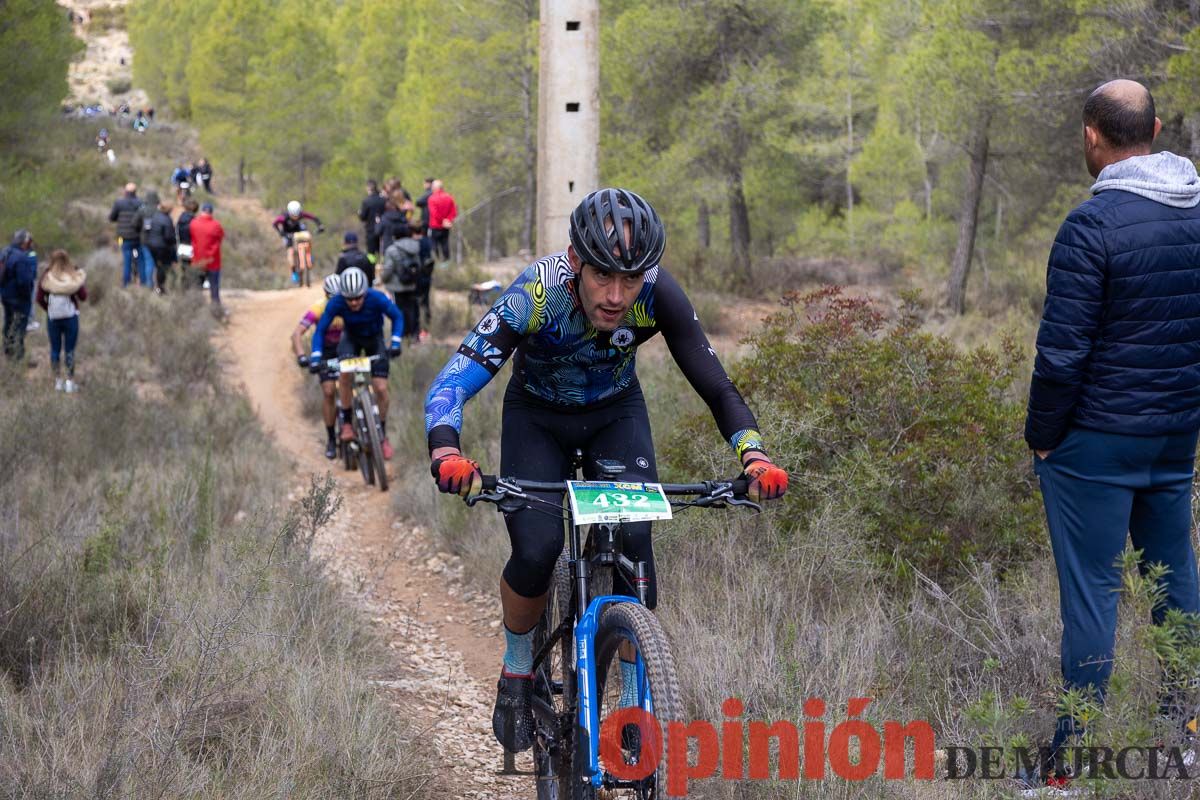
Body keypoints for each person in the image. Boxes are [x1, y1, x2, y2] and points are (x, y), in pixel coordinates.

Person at [423, 188, 788, 753]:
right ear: (575, 261)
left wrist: (754, 453)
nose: (617, 296)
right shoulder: (536, 293)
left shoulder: (657, 292)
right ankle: (519, 668)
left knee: (636, 548)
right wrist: (446, 450)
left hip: (615, 414)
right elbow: (452, 381)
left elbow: (715, 383)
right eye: (602, 278)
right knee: (538, 548)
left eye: (632, 279)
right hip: (537, 417)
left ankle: (640, 697)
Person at [1024, 79, 1200, 788]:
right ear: (1153, 128)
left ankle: (1068, 763)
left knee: (1094, 593)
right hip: (1174, 434)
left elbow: (1061, 353)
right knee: (1175, 581)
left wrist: (1042, 435)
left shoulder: (1090, 227)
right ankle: (1186, 732)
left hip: (1094, 443)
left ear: (1093, 137)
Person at [309, 267, 402, 461]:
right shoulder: (336, 302)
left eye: (358, 298)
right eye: (349, 299)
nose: (353, 302)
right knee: (344, 375)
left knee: (381, 388)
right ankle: (347, 423)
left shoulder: (376, 298)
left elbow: (397, 316)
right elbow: (320, 330)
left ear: (364, 292)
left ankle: (382, 436)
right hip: (350, 340)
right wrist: (316, 355)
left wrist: (395, 341)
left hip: (374, 339)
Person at [292, 274, 345, 459]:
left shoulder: (350, 304)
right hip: (326, 352)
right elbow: (297, 333)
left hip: (347, 349)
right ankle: (331, 439)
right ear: (326, 294)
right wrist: (301, 356)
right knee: (329, 392)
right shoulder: (319, 308)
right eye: (333, 298)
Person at [35, 249, 87, 391]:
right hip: (71, 318)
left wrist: (49, 309)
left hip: (53, 319)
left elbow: (39, 298)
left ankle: (57, 381)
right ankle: (70, 382)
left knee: (55, 349)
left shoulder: (47, 277)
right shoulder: (73, 276)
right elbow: (83, 296)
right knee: (69, 350)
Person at [380, 224, 426, 340]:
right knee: (411, 311)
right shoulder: (416, 247)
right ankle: (412, 335)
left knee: (397, 313)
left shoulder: (392, 249)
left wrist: (383, 279)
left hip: (397, 287)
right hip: (411, 284)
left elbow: (389, 269)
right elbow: (419, 265)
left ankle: (399, 336)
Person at [1, 229, 38, 364]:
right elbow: (24, 281)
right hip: (19, 299)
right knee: (19, 327)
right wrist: (27, 296)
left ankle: (8, 352)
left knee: (8, 324)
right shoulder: (22, 257)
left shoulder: (5, 251)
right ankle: (17, 358)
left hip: (5, 296)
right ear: (25, 242)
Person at [109, 182, 152, 287]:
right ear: (135, 192)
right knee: (141, 260)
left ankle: (126, 284)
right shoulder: (140, 203)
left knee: (126, 260)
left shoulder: (119, 203)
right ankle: (143, 282)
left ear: (125, 192)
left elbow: (112, 217)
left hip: (123, 237)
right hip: (138, 237)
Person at [273, 200, 324, 284]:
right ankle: (294, 272)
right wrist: (281, 232)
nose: (296, 217)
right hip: (287, 234)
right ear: (289, 213)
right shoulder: (283, 217)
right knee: (291, 252)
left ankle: (308, 254)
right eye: (293, 215)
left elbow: (313, 217)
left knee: (308, 235)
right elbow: (274, 223)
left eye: (297, 215)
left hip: (298, 231)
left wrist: (320, 225)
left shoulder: (301, 214)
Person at [189, 202, 225, 307]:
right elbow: (220, 237)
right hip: (213, 261)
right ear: (211, 213)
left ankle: (195, 308)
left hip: (197, 260)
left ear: (202, 212)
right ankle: (216, 309)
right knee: (214, 288)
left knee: (197, 287)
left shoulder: (193, 223)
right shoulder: (216, 225)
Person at [145, 196, 177, 294]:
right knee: (162, 267)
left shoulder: (155, 216)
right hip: (161, 247)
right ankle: (160, 287)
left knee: (152, 265)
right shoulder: (167, 220)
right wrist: (174, 242)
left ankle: (150, 285)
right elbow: (168, 237)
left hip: (151, 245)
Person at [426, 179, 457, 264]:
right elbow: (453, 212)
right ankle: (447, 263)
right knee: (445, 245)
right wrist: (447, 220)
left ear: (436, 187)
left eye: (432, 186)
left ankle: (437, 263)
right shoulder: (449, 197)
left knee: (434, 245)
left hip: (435, 226)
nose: (431, 188)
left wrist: (443, 220)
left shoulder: (432, 198)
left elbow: (434, 213)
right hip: (445, 227)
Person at [359, 180, 387, 258]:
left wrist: (359, 213)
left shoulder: (366, 201)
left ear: (368, 188)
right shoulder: (383, 200)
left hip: (370, 231)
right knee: (381, 252)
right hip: (382, 231)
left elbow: (362, 217)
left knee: (371, 253)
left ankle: (371, 267)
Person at [176, 196, 199, 289]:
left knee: (184, 269)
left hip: (182, 246)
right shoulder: (194, 221)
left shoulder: (181, 219)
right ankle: (190, 289)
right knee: (192, 271)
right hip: (191, 247)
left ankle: (183, 288)